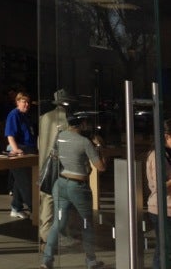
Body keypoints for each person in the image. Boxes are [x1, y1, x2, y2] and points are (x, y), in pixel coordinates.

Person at [40, 115, 106, 269]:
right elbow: (101, 167)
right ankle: (91, 261)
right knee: (86, 223)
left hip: (61, 183)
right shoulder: (85, 142)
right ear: (82, 124)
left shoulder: (60, 136)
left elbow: (55, 156)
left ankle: (47, 259)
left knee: (58, 223)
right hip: (78, 186)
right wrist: (98, 148)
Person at [39, 89, 75, 243]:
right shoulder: (67, 119)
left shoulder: (44, 117)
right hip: (60, 165)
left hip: (45, 164)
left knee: (46, 199)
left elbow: (39, 142)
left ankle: (45, 232)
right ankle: (60, 232)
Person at [5, 91, 37, 218]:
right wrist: (16, 149)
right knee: (25, 182)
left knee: (19, 182)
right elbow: (10, 135)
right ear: (17, 102)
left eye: (28, 102)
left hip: (28, 150)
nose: (27, 104)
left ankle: (16, 207)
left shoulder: (26, 116)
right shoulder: (14, 115)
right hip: (19, 151)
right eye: (24, 101)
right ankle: (35, 209)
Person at [146, 117, 171, 269]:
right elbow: (160, 187)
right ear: (167, 136)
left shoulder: (167, 153)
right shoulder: (157, 156)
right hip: (162, 209)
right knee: (164, 251)